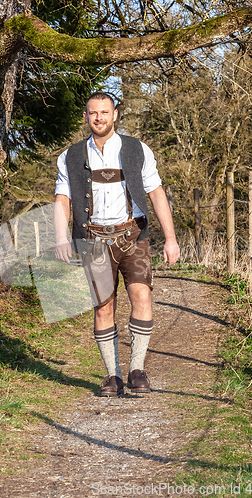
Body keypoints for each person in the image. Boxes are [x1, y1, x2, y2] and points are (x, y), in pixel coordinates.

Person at [54, 92, 180, 397]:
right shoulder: (70, 156)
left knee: (142, 296)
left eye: (105, 112)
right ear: (85, 117)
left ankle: (137, 368)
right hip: (93, 239)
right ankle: (112, 375)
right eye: (93, 113)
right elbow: (62, 198)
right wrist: (60, 237)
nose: (99, 118)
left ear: (115, 115)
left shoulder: (136, 149)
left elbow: (156, 193)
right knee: (103, 307)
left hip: (132, 234)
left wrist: (171, 238)